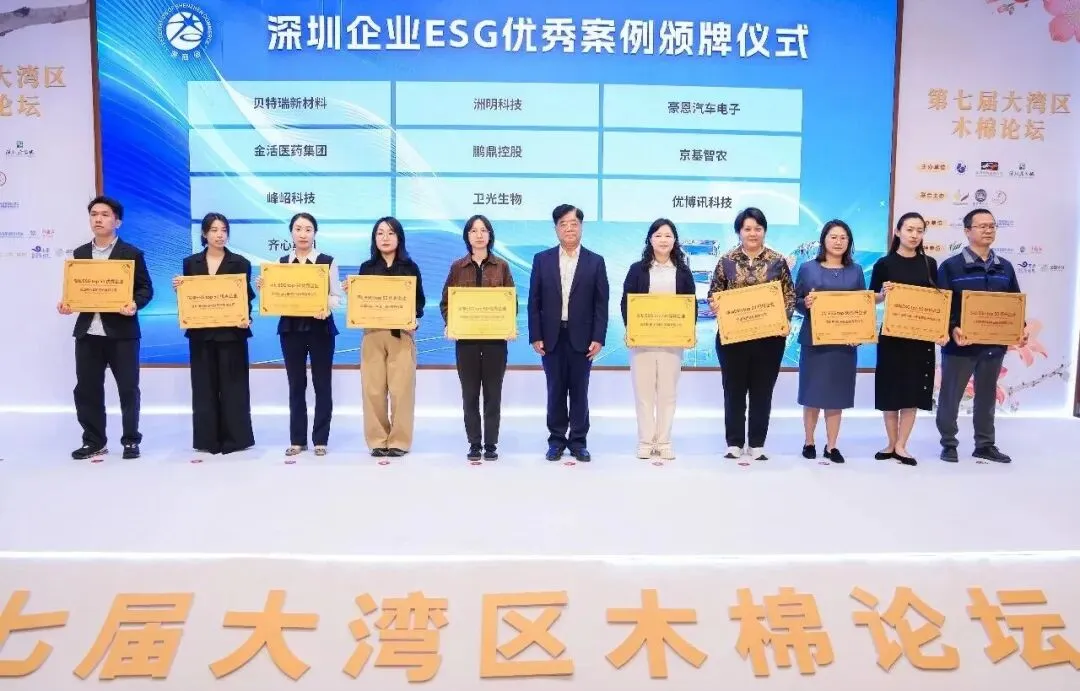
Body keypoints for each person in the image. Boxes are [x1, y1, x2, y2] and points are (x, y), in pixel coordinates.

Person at [58, 195, 154, 460]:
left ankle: (131, 440)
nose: (98, 219)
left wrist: (134, 304)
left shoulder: (131, 254)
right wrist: (67, 304)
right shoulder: (80, 254)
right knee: (87, 389)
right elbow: (76, 290)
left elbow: (145, 289)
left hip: (122, 333)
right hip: (88, 333)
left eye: (104, 215)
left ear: (117, 221)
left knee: (128, 389)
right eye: (94, 214)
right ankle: (94, 441)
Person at [936, 208, 1028, 464]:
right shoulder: (951, 267)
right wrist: (952, 328)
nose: (988, 230)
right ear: (967, 231)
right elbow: (942, 307)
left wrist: (1020, 328)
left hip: (993, 346)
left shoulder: (1005, 267)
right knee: (950, 396)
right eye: (982, 226)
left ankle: (985, 445)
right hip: (960, 346)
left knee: (987, 397)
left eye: (992, 226)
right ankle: (948, 443)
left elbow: (1014, 304)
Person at [708, 207, 795, 461]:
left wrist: (785, 319)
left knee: (762, 390)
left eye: (758, 228)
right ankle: (734, 442)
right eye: (747, 229)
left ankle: (757, 443)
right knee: (733, 390)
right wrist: (715, 304)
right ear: (739, 231)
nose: (753, 233)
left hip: (769, 339)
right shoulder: (726, 261)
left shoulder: (777, 261)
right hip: (733, 338)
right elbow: (714, 294)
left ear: (764, 231)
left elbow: (789, 295)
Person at [528, 204, 609, 462]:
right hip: (551, 337)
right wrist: (535, 335)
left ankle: (578, 441)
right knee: (555, 390)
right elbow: (534, 301)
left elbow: (601, 304)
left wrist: (598, 337)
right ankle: (556, 440)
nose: (569, 228)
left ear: (581, 227)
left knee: (579, 391)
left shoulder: (595, 261)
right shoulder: (542, 260)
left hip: (582, 338)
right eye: (563, 224)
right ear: (556, 229)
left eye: (574, 223)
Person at [260, 212, 343, 457]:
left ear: (315, 233)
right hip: (291, 329)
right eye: (298, 229)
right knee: (296, 384)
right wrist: (265, 287)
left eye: (308, 229)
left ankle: (320, 440)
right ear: (291, 233)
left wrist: (325, 306)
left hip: (320, 329)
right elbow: (276, 295)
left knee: (322, 384)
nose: (303, 234)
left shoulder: (327, 261)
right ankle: (297, 439)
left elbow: (336, 296)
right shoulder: (281, 262)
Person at [869, 212, 949, 466]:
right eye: (910, 230)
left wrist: (940, 329)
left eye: (919, 231)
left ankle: (902, 445)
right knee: (890, 390)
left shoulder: (929, 264)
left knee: (912, 391)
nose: (914, 235)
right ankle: (891, 443)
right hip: (892, 336)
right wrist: (883, 293)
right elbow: (872, 298)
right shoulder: (884, 264)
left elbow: (938, 301)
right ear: (898, 232)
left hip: (920, 338)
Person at [174, 212, 255, 455]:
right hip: (201, 335)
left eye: (223, 230)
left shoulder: (240, 263)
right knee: (203, 388)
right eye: (214, 230)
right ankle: (207, 440)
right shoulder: (191, 263)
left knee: (234, 388)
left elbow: (245, 298)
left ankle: (235, 440)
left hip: (232, 335)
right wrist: (180, 289)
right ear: (204, 233)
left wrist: (246, 317)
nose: (220, 235)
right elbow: (190, 297)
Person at [440, 215, 515, 461]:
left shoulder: (502, 266)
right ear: (467, 236)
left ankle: (491, 444)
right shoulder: (457, 267)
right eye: (473, 230)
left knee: (493, 394)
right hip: (466, 342)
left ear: (490, 235)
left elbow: (511, 302)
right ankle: (474, 443)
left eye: (483, 230)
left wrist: (507, 324)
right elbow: (446, 303)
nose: (479, 235)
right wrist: (451, 323)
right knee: (470, 394)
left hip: (495, 342)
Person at [620, 218, 695, 460]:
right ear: (650, 240)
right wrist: (632, 330)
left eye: (668, 235)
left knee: (667, 393)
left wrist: (687, 332)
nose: (663, 240)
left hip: (672, 342)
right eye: (658, 235)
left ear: (675, 241)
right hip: (642, 342)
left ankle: (663, 442)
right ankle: (645, 441)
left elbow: (690, 305)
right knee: (643, 393)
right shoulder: (637, 270)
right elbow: (626, 303)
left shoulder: (683, 272)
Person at [795, 220, 865, 464]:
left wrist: (859, 333)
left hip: (844, 345)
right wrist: (805, 303)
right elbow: (795, 301)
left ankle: (832, 445)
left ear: (849, 242)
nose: (838, 242)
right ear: (824, 239)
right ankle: (809, 441)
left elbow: (862, 306)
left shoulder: (856, 271)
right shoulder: (807, 268)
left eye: (843, 238)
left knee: (837, 396)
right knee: (812, 393)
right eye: (833, 237)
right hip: (815, 341)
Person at [357, 216, 425, 458]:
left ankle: (399, 441)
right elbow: (361, 301)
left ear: (399, 238)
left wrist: (414, 318)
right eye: (380, 233)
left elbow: (419, 301)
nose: (385, 238)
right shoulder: (366, 268)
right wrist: (352, 292)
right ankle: (377, 440)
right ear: (374, 239)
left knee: (401, 390)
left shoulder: (410, 268)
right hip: (372, 334)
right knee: (373, 390)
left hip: (401, 335)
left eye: (390, 233)